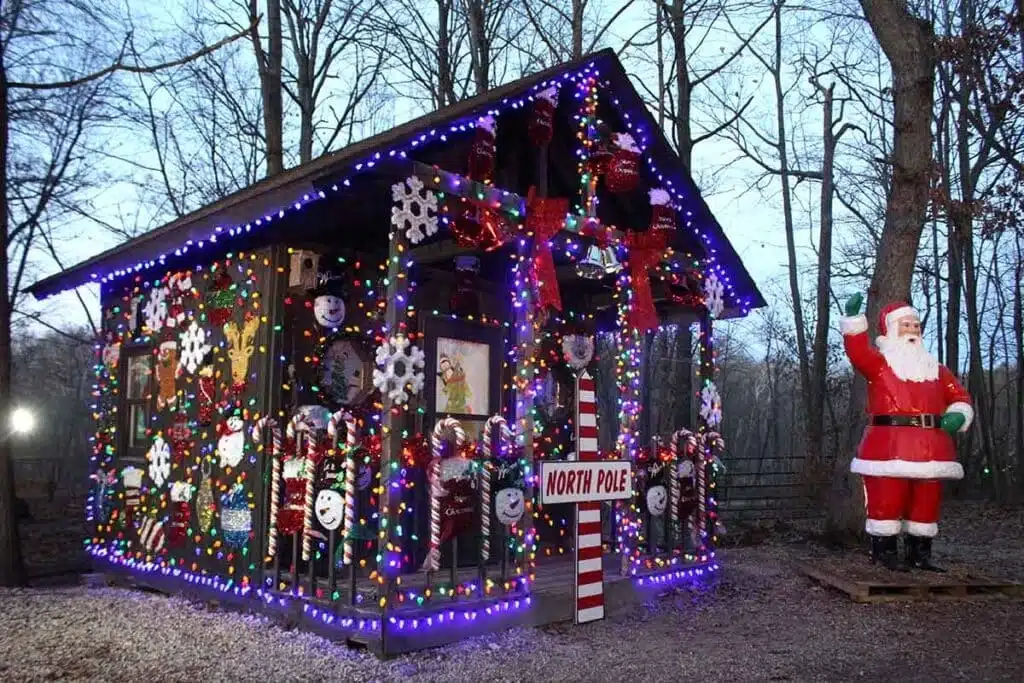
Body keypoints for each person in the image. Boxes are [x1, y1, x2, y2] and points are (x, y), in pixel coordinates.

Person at [840, 294, 973, 571]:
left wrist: (959, 413)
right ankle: (884, 551)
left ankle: (920, 554)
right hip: (889, 445)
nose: (912, 330)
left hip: (931, 447)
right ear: (891, 330)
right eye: (906, 325)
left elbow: (959, 395)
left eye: (915, 326)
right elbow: (858, 353)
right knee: (886, 497)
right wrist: (854, 322)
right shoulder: (879, 365)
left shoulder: (936, 370)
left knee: (926, 500)